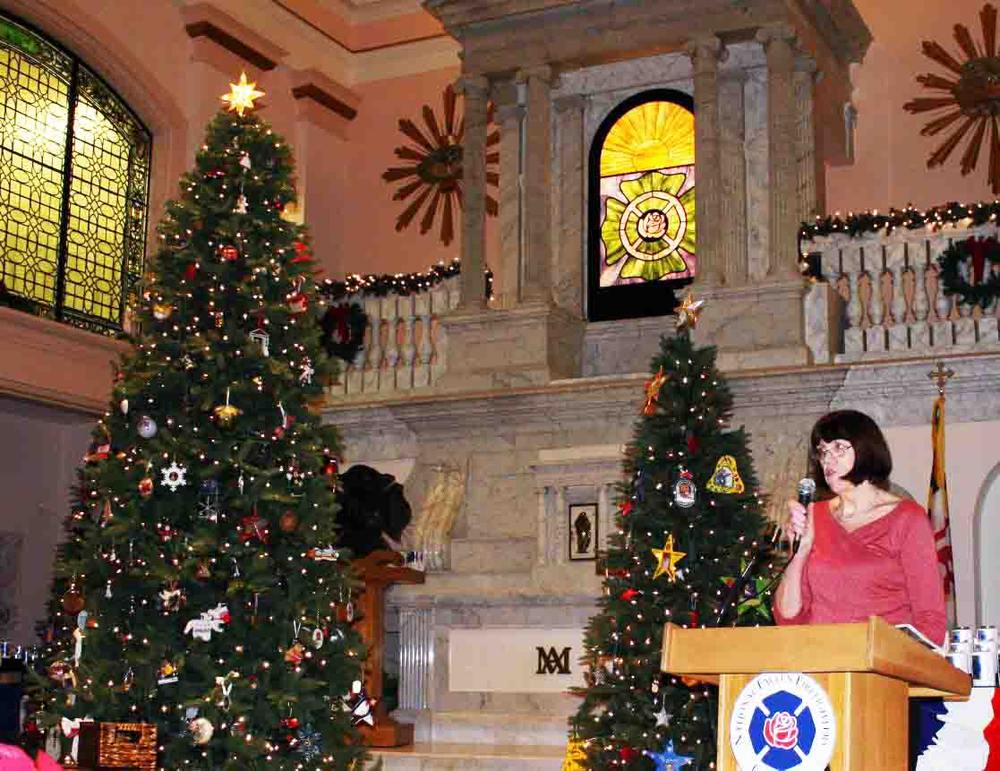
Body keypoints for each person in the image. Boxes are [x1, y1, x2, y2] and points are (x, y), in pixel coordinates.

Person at [774, 410, 947, 646]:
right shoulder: (814, 516)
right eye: (822, 451)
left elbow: (931, 622)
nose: (827, 459)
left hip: (879, 671)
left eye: (838, 447)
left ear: (866, 447)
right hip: (818, 665)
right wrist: (799, 553)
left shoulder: (908, 519)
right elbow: (787, 618)